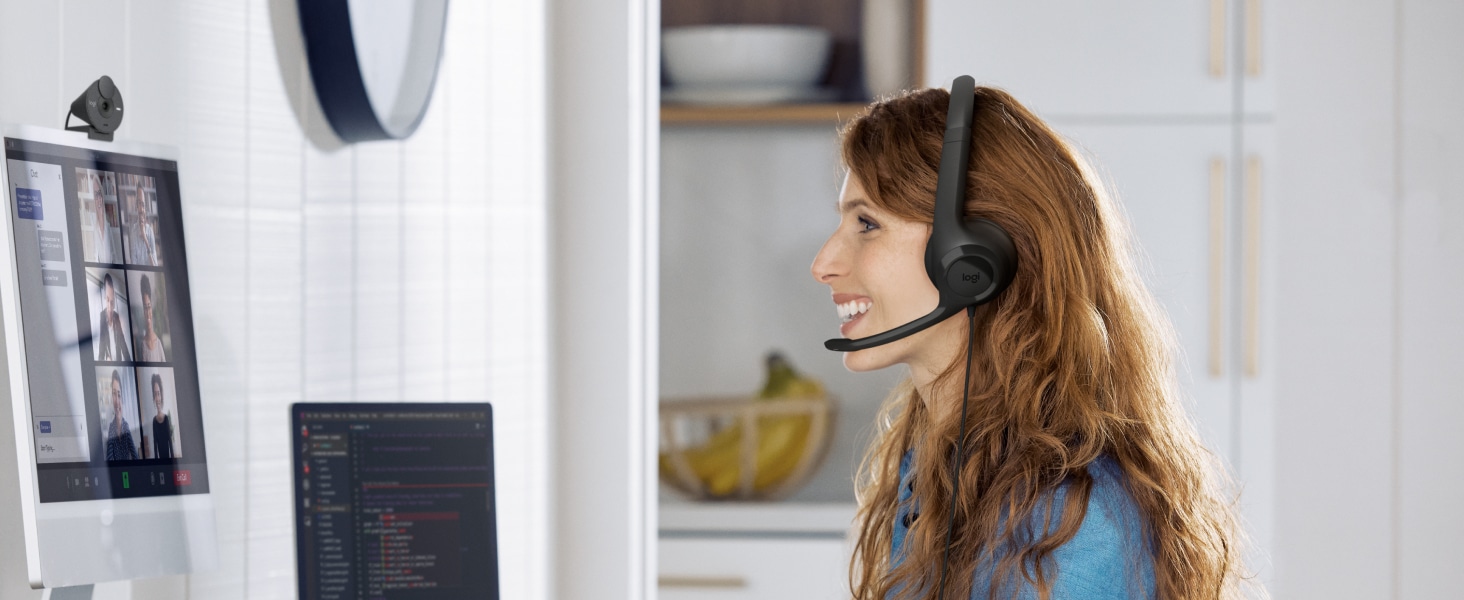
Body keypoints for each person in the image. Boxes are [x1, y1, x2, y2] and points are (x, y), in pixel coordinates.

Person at [810, 87, 1254, 599]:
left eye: (867, 224)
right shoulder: (935, 465)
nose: (823, 263)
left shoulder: (1073, 522)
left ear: (972, 260)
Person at [103, 369, 138, 461]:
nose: (117, 401)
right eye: (114, 394)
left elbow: (135, 456)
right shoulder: (111, 427)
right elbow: (109, 459)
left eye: (119, 395)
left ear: (122, 399)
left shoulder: (126, 426)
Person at [95, 273, 131, 361]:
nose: (110, 307)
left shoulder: (116, 317)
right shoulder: (102, 316)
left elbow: (123, 344)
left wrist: (130, 361)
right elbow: (101, 346)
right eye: (107, 300)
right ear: (104, 297)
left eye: (112, 301)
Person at [136, 274, 166, 362]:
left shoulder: (159, 342)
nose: (148, 312)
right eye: (145, 308)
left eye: (149, 307)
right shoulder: (142, 345)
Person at [149, 373, 173, 459]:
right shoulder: (154, 421)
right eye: (155, 394)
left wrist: (173, 459)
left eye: (158, 393)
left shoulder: (166, 418)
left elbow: (170, 441)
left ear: (161, 395)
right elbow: (155, 443)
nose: (157, 398)